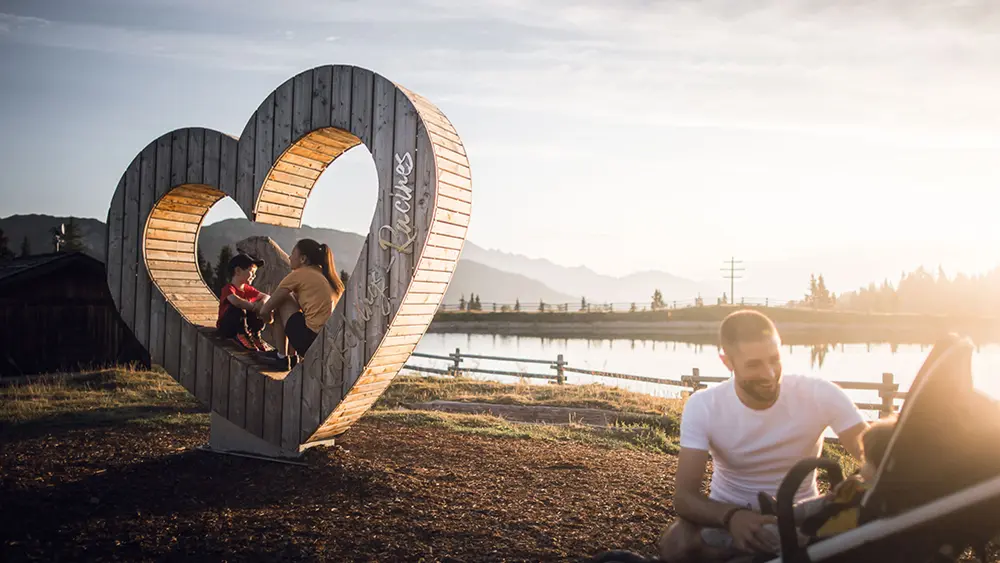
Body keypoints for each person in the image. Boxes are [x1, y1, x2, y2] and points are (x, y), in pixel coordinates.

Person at [658, 309, 869, 561]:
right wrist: (732, 517)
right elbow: (684, 497)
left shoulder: (820, 394)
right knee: (676, 544)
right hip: (727, 517)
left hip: (798, 517)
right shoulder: (703, 405)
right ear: (727, 362)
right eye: (754, 364)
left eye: (774, 359)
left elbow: (876, 457)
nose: (769, 374)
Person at [699, 416, 896, 553]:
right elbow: (832, 505)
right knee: (820, 503)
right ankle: (783, 514)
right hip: (820, 524)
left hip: (814, 543)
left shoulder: (875, 501)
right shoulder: (866, 487)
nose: (861, 466)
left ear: (883, 467)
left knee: (764, 534)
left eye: (866, 461)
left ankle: (726, 537)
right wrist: (839, 495)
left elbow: (847, 530)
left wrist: (809, 537)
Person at [256, 238, 344, 370]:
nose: (290, 257)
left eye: (293, 254)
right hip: (326, 344)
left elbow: (266, 308)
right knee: (291, 301)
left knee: (284, 299)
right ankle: (288, 356)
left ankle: (282, 357)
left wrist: (266, 317)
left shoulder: (299, 274)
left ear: (303, 259)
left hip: (309, 342)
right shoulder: (326, 276)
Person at [215, 252, 271, 352]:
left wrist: (261, 304)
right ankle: (241, 335)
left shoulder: (247, 289)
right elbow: (236, 301)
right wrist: (254, 307)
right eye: (252, 272)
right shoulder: (228, 288)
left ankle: (254, 334)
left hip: (245, 327)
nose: (254, 276)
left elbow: (266, 296)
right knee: (239, 308)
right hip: (227, 328)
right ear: (238, 271)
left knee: (254, 308)